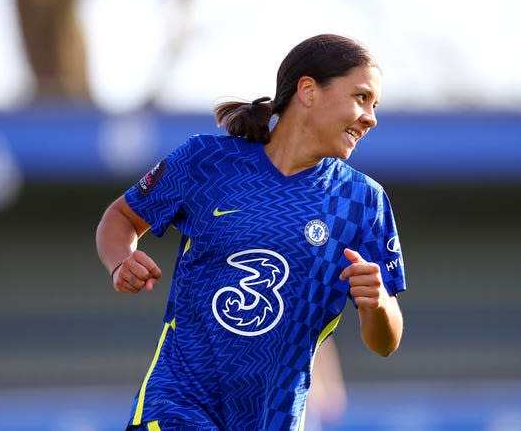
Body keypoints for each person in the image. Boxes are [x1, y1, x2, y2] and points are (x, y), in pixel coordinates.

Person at [96, 33, 406, 431]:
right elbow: (120, 217)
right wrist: (121, 260)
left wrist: (378, 302)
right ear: (308, 90)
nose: (371, 117)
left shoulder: (363, 201)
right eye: (361, 97)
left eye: (375, 104)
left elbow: (385, 342)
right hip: (176, 405)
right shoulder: (206, 160)